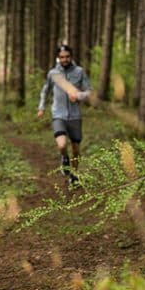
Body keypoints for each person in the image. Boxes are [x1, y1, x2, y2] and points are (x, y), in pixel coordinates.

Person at [36, 44, 92, 186]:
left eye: (67, 57)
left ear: (71, 57)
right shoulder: (53, 74)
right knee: (62, 145)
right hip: (58, 114)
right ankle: (64, 158)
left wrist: (78, 96)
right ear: (58, 58)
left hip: (75, 116)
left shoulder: (79, 72)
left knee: (76, 149)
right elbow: (45, 91)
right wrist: (41, 107)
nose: (64, 59)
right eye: (61, 57)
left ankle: (74, 175)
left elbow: (89, 91)